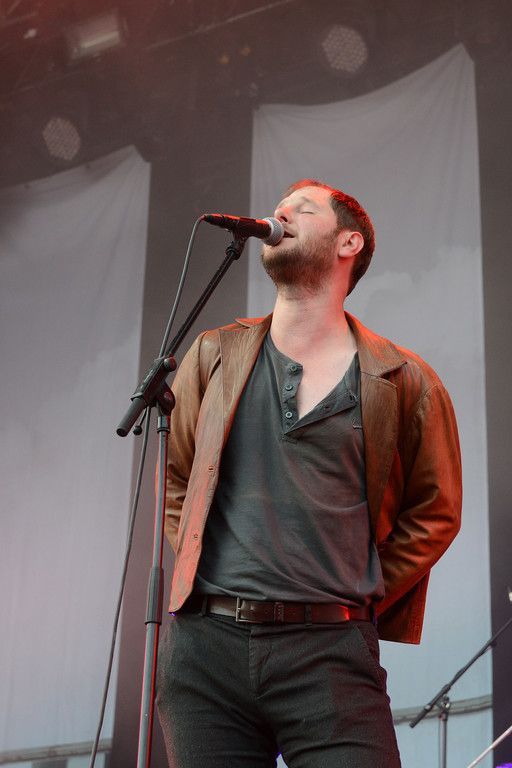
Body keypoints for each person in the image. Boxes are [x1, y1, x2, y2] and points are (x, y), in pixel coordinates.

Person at [156, 179, 462, 768]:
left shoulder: (405, 380)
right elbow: (177, 484)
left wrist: (360, 586)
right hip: (205, 653)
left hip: (330, 652)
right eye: (280, 206)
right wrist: (204, 569)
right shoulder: (214, 353)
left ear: (349, 242)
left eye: (303, 207)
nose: (281, 212)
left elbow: (437, 513)